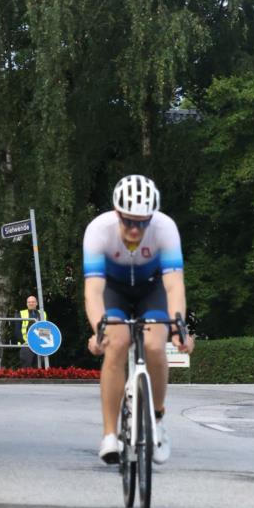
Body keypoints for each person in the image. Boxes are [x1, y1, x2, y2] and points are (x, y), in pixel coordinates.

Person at [83, 174, 194, 465]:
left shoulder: (165, 228)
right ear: (117, 213)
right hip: (114, 290)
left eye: (142, 223)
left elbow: (174, 285)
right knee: (117, 343)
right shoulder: (98, 230)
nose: (135, 229)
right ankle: (109, 435)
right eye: (128, 221)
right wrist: (99, 330)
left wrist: (178, 327)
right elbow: (93, 290)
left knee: (155, 345)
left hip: (151, 289)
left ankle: (157, 418)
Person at [15, 295, 46, 368]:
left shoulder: (43, 313)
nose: (31, 303)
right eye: (29, 302)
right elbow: (17, 330)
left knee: (38, 366)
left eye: (33, 302)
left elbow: (45, 328)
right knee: (26, 366)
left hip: (39, 344)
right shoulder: (21, 313)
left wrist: (44, 342)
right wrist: (23, 342)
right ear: (26, 304)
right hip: (26, 344)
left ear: (36, 303)